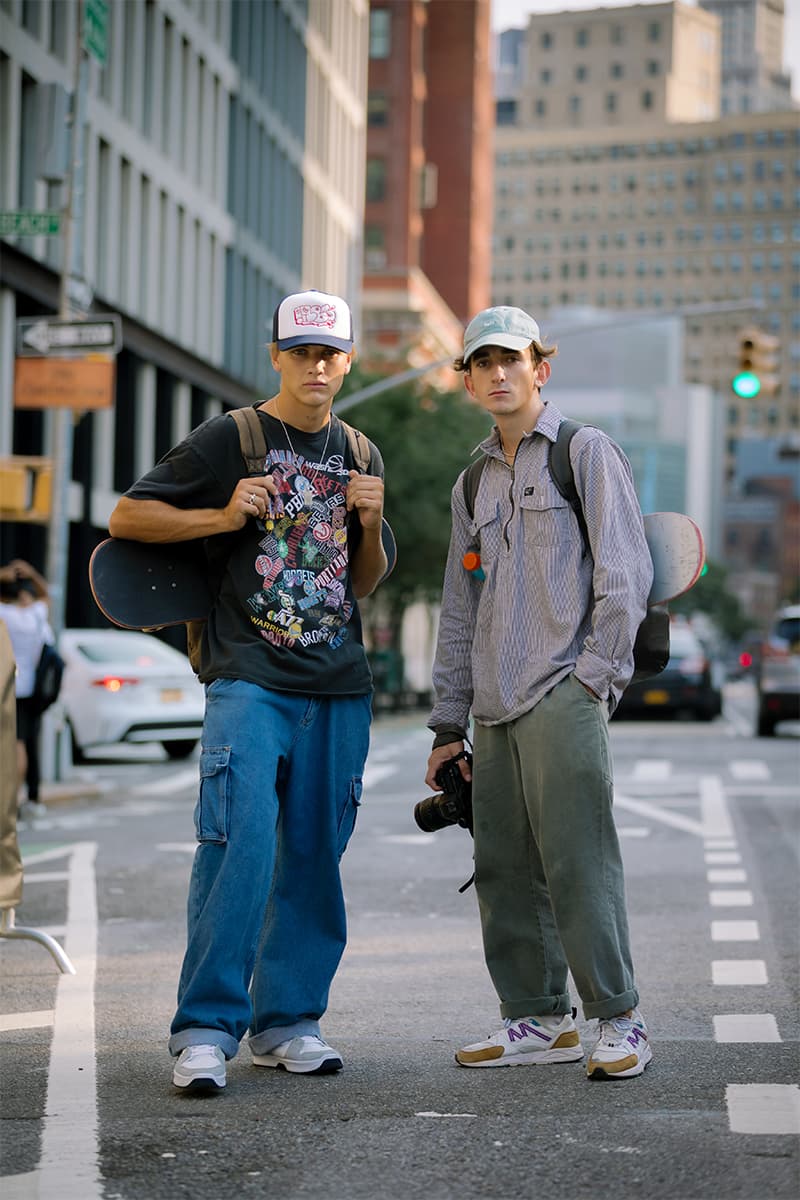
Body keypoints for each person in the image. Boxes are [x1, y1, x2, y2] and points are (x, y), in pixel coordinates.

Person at [108, 290, 387, 1093]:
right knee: (239, 846)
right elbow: (130, 516)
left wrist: (371, 523)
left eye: (330, 353)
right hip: (249, 675)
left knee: (314, 856)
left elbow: (361, 582)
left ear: (347, 360)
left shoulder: (363, 451)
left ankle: (289, 1022)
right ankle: (205, 1028)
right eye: (301, 352)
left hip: (338, 682)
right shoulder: (232, 437)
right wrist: (223, 514)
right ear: (276, 355)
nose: (316, 366)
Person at [425, 305, 654, 1081]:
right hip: (491, 709)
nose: (496, 374)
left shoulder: (584, 453)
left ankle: (621, 1019)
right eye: (481, 364)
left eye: (510, 361)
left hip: (562, 691)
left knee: (578, 863)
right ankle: (537, 1019)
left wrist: (593, 679)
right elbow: (461, 610)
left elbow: (625, 576)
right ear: (467, 380)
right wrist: (446, 725)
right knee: (504, 872)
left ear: (538, 369)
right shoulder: (472, 480)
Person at [0, 559, 53, 814]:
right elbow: (46, 595)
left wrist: (4, 574)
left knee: (13, 745)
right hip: (28, 688)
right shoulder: (33, 615)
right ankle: (17, 797)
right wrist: (32, 573)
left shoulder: (4, 615)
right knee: (21, 742)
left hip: (6, 686)